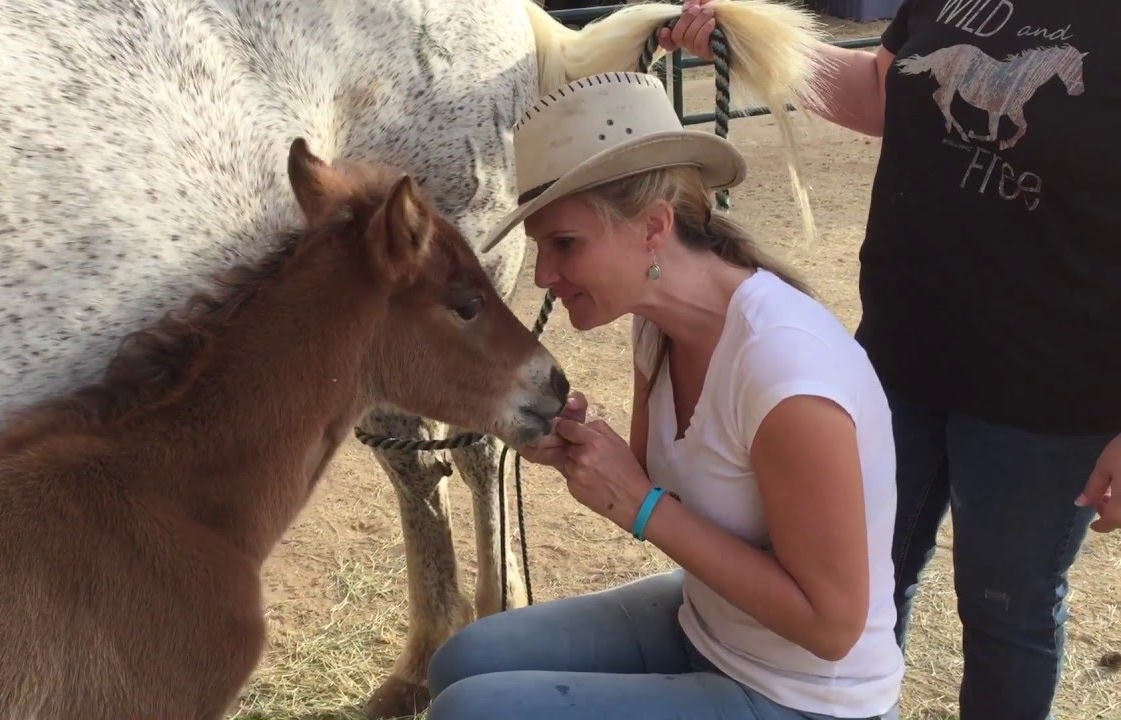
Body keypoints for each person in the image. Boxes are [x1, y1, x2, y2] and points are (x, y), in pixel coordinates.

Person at [660, 1, 1121, 718]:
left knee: (1006, 611)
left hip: (1052, 392)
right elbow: (882, 88)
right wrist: (747, 42)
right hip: (899, 358)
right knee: (858, 583)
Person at [424, 70, 904, 720]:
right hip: (710, 625)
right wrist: (578, 453)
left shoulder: (786, 372)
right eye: (540, 247)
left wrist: (638, 503)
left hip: (805, 694)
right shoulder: (658, 325)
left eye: (564, 244)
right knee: (458, 662)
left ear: (653, 228)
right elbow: (661, 489)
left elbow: (831, 627)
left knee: (471, 710)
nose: (542, 275)